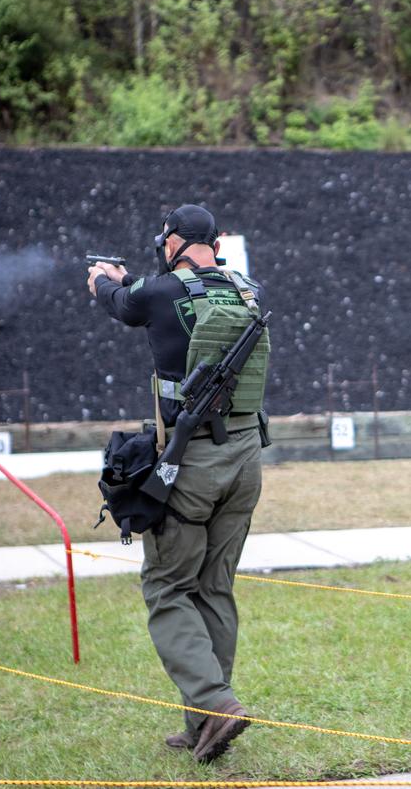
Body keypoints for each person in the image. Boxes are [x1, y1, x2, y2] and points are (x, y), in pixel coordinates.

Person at [86, 204, 268, 762]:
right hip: (246, 459)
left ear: (174, 242)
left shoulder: (160, 290)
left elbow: (123, 303)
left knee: (168, 588)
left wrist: (103, 281)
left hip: (192, 463)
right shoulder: (247, 290)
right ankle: (202, 723)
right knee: (214, 588)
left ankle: (216, 704)